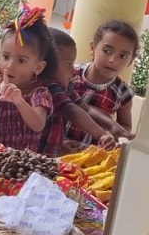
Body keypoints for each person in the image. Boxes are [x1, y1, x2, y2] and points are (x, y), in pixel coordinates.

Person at [0, 7, 55, 152]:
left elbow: (38, 124)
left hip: (21, 167)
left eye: (21, 61)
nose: (10, 66)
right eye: (5, 57)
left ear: (38, 67)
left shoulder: (39, 94)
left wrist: (19, 101)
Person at [39, 28, 119, 156]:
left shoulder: (66, 87)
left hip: (49, 155)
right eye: (69, 64)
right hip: (36, 157)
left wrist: (61, 144)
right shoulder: (47, 88)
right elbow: (72, 111)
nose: (74, 70)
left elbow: (84, 108)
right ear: (46, 64)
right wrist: (101, 135)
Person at [65, 20, 139, 147]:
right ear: (93, 49)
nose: (113, 60)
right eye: (107, 51)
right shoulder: (71, 74)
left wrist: (116, 136)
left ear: (131, 61)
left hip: (90, 156)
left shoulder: (123, 93)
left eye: (123, 56)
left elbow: (125, 127)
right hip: (56, 145)